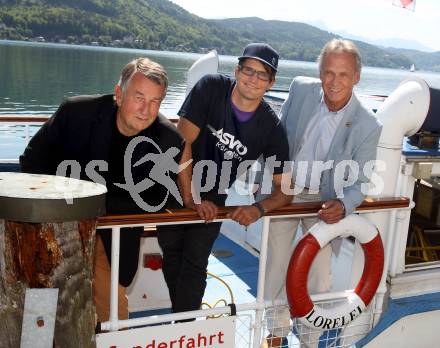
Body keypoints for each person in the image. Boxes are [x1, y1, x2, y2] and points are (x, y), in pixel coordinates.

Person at [20, 57, 184, 322]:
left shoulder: (168, 140)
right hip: (59, 225)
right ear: (119, 94)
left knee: (111, 316)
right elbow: (32, 162)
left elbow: (159, 198)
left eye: (155, 101)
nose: (146, 109)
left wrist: (98, 207)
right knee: (44, 308)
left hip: (115, 235)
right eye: (139, 97)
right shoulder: (75, 113)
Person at [157, 43, 293, 316]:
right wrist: (191, 198)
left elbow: (285, 190)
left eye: (262, 75)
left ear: (271, 83)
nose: (253, 79)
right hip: (174, 185)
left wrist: (258, 209)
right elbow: (181, 143)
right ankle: (182, 321)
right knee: (172, 257)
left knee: (194, 263)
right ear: (237, 70)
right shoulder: (211, 88)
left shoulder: (271, 127)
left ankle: (185, 329)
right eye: (248, 70)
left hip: (214, 197)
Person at [262, 39, 383, 347]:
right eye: (328, 72)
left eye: (343, 74)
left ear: (357, 76)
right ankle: (275, 335)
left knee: (319, 278)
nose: (334, 81)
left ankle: (309, 340)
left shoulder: (368, 124)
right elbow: (274, 138)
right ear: (319, 72)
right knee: (274, 266)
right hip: (285, 192)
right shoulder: (300, 90)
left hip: (323, 202)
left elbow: (361, 183)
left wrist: (343, 205)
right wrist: (271, 180)